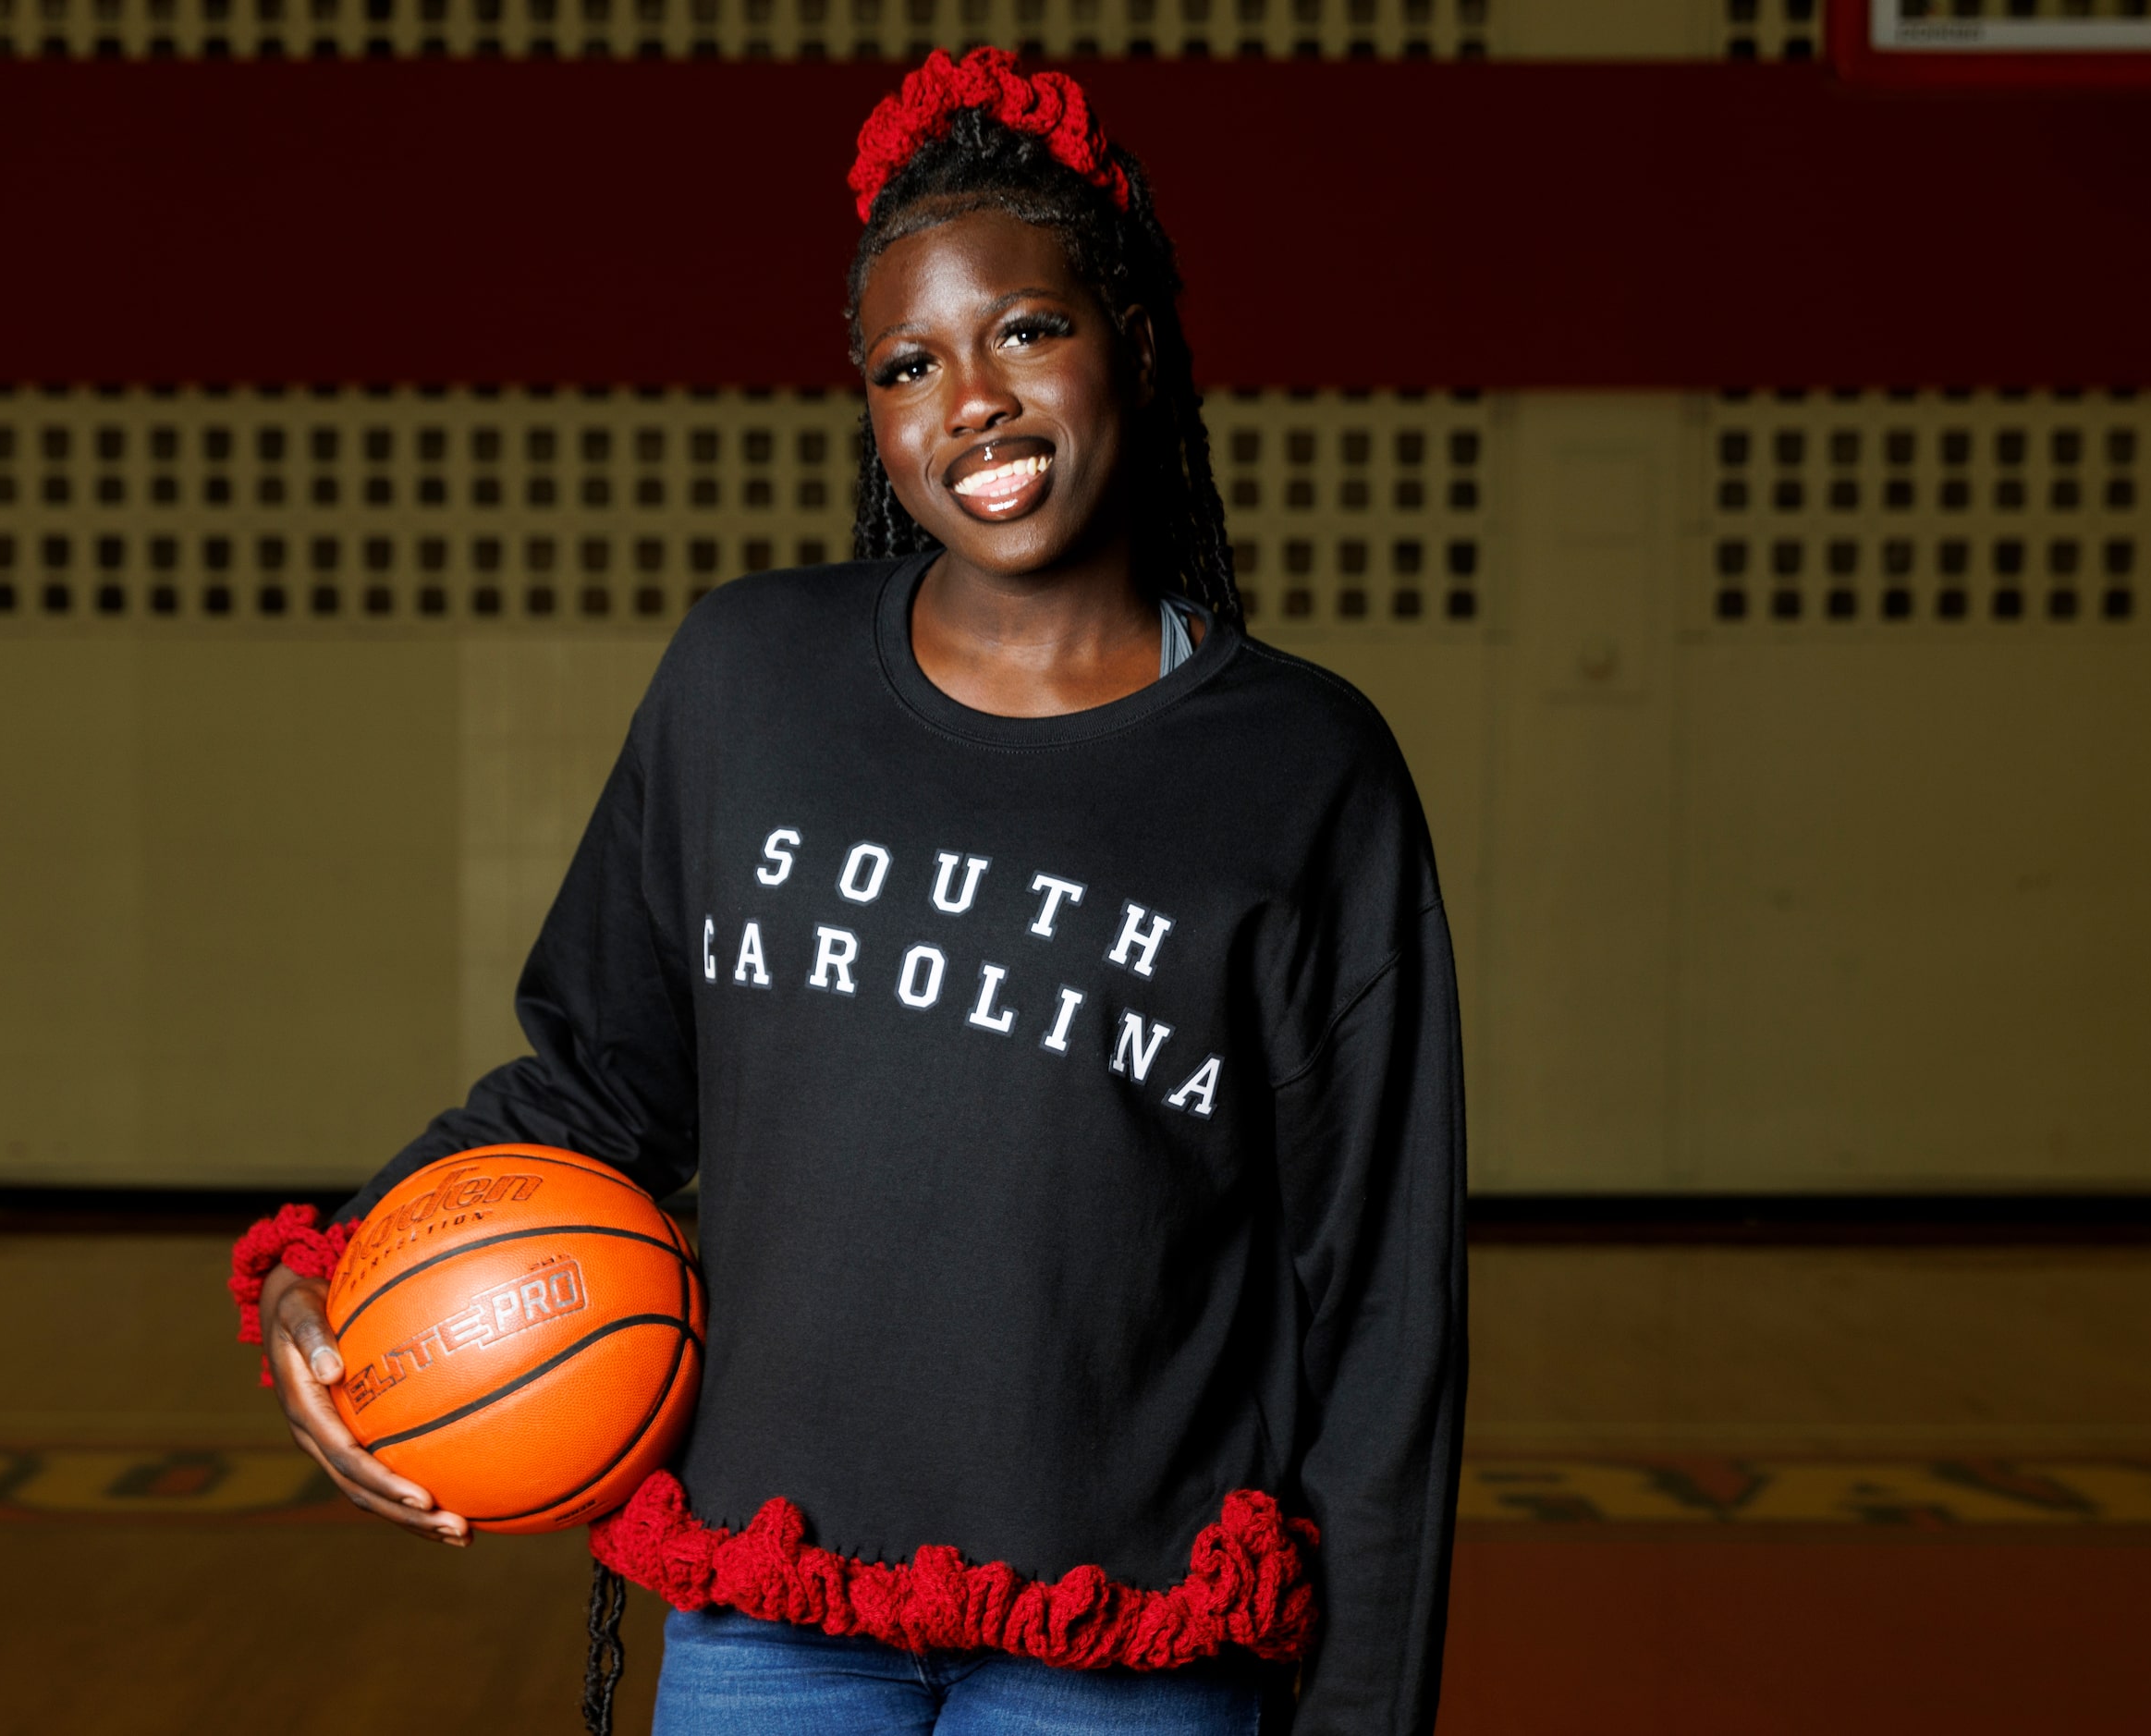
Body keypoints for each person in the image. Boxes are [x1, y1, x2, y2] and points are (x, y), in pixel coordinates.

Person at [242, 47, 1465, 1736]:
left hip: (1118, 1642)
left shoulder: (1306, 770)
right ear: (873, 409)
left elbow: (1383, 1305)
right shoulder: (750, 680)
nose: (972, 397)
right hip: (768, 1618)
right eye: (910, 362)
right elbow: (595, 1080)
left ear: (1139, 341)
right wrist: (342, 1276)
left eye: (1026, 329)